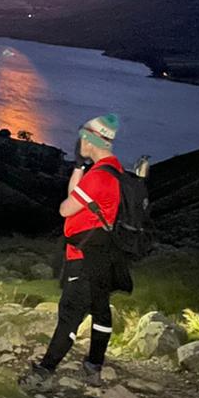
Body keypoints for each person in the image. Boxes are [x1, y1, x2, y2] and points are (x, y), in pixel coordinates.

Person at [24, 113, 124, 383]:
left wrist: (82, 172)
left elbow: (66, 208)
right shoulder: (114, 170)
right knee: (101, 309)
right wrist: (79, 167)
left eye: (83, 137)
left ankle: (45, 371)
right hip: (104, 252)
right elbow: (77, 197)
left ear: (90, 140)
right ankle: (94, 365)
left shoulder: (98, 177)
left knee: (70, 313)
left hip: (83, 255)